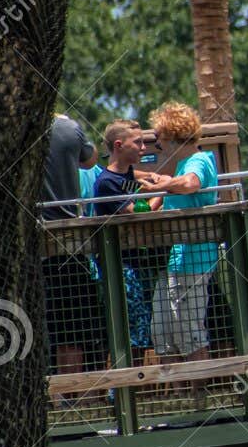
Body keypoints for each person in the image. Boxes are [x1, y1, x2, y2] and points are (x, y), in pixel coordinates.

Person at [135, 103, 220, 363]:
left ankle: (199, 397)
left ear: (173, 134)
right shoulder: (180, 165)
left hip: (195, 261)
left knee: (190, 332)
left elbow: (191, 184)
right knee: (163, 332)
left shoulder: (198, 161)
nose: (156, 140)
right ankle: (176, 397)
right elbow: (165, 194)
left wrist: (166, 183)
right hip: (174, 261)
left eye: (160, 134)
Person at [94, 120, 163, 354]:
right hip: (119, 267)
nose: (144, 148)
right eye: (138, 143)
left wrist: (154, 178)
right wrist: (163, 194)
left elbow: (140, 177)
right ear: (119, 145)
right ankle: (120, 390)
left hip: (135, 261)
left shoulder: (127, 175)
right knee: (132, 330)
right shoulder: (107, 184)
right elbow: (140, 215)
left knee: (141, 328)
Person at [41, 114, 101, 378]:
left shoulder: (8, 124)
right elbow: (90, 160)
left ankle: (59, 397)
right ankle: (74, 396)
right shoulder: (67, 127)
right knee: (72, 326)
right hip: (68, 239)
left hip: (28, 239)